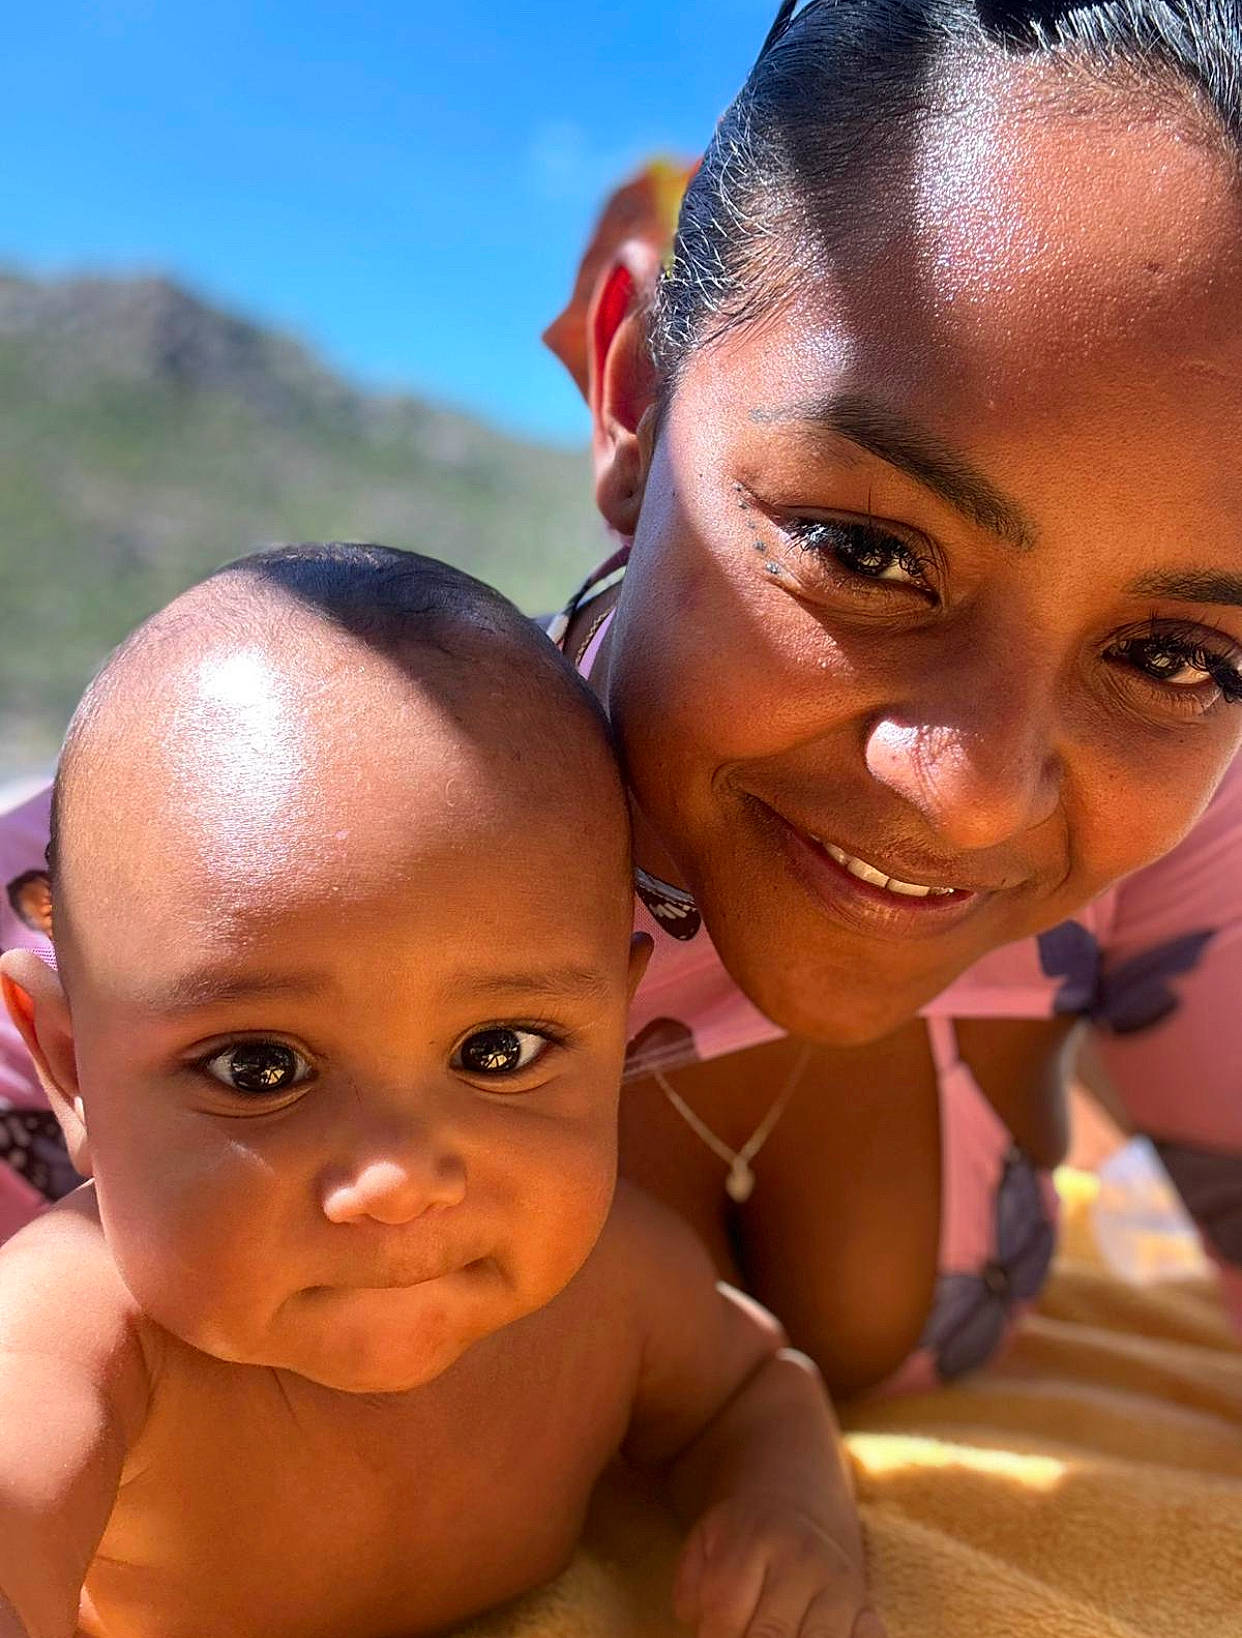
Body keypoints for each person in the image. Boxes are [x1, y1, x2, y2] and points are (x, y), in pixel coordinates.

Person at [3, 0, 1242, 1403]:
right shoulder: (140, 950)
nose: (970, 794)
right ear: (634, 385)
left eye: (1176, 657)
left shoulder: (1174, 821)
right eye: (864, 551)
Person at [0, 545, 879, 1638]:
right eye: (260, 1068)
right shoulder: (78, 1330)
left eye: (500, 1051)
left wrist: (789, 1514)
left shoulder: (612, 1285)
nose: (399, 1178)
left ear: (614, 1031)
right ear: (72, 1067)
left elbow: (755, 1390)